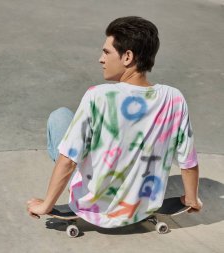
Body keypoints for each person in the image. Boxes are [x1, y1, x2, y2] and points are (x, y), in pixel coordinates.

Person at [26, 16, 202, 228]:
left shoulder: (98, 96)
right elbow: (188, 161)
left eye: (107, 52)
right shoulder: (174, 98)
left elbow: (68, 160)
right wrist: (191, 199)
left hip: (93, 208)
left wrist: (46, 205)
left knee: (60, 116)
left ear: (127, 56)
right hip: (141, 209)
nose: (101, 59)